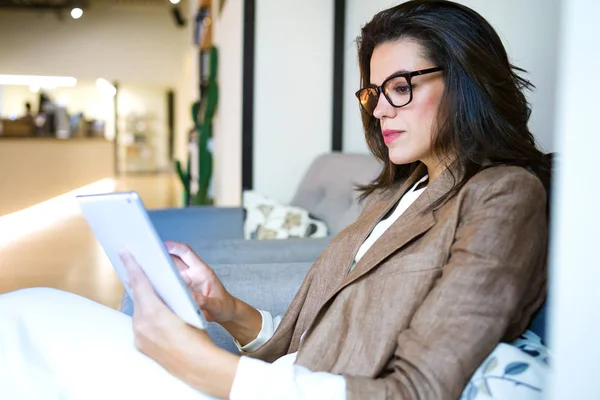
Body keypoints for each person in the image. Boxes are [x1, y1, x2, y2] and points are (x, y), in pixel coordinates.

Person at [0, 1, 551, 399]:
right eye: (374, 92)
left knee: (22, 323)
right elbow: (317, 335)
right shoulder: (396, 192)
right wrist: (225, 308)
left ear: (465, 81)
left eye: (401, 86)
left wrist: (203, 365)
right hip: (262, 381)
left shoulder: (504, 195)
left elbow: (417, 390)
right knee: (28, 308)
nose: (381, 109)